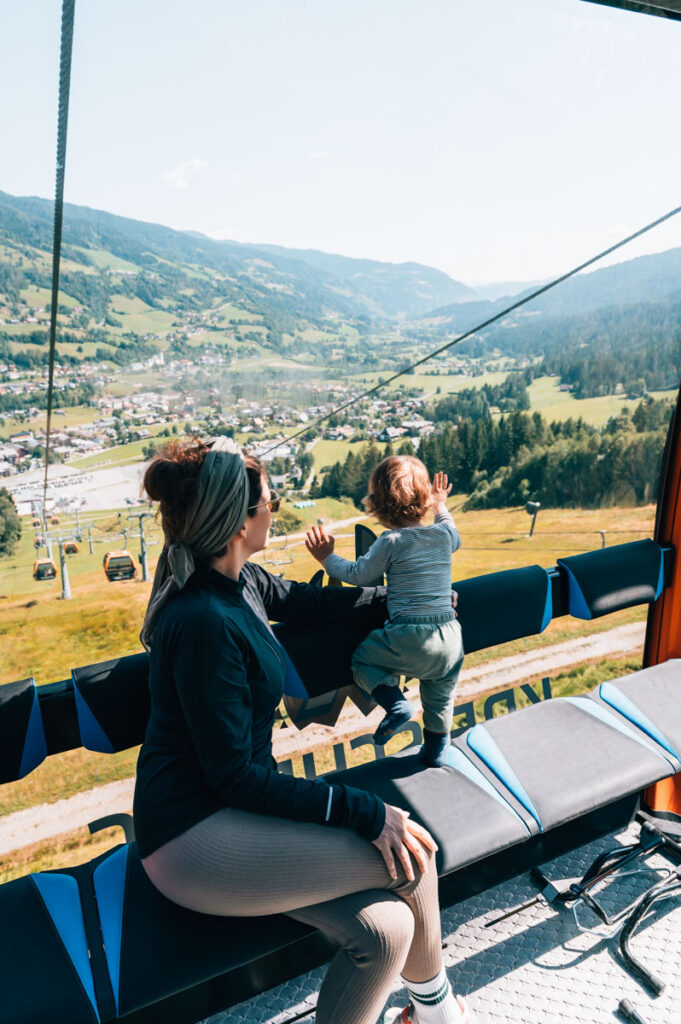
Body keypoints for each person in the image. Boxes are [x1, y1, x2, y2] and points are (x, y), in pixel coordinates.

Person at [133, 437, 472, 1024]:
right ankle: (443, 1018)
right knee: (412, 857)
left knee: (387, 931)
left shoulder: (242, 582)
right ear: (240, 520)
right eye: (269, 499)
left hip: (234, 810)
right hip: (192, 835)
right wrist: (364, 812)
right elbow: (233, 776)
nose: (275, 507)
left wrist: (415, 602)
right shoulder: (203, 623)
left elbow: (313, 605)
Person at [306, 456, 463, 769]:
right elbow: (450, 527)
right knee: (440, 695)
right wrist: (440, 505)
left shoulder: (390, 541)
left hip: (409, 635)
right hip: (450, 637)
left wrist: (326, 558)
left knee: (363, 660)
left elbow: (358, 574)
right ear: (425, 500)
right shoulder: (444, 536)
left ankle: (396, 705)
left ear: (378, 507)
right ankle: (435, 755)